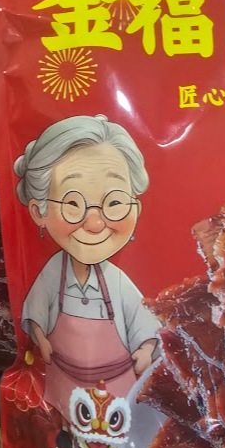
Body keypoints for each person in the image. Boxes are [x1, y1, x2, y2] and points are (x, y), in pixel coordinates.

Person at [15, 114, 159, 423]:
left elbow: (144, 323)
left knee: (117, 431)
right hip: (61, 380)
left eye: (114, 203)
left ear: (136, 209)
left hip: (118, 387)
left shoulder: (117, 281)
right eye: (73, 204)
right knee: (63, 427)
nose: (94, 223)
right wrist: (40, 337)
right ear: (39, 211)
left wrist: (146, 350)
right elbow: (35, 310)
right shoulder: (53, 271)